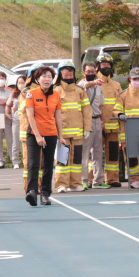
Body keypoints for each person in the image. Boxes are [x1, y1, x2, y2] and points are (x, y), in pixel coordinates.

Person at [23, 66, 66, 206]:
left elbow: (58, 116)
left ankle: (46, 193)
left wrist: (61, 136)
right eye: (44, 76)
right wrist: (37, 136)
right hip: (34, 134)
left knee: (48, 165)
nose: (47, 79)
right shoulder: (31, 94)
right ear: (37, 79)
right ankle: (32, 191)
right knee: (33, 164)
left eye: (49, 77)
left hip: (51, 133)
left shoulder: (56, 95)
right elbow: (30, 115)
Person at [53, 60, 91, 193]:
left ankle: (75, 183)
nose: (68, 77)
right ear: (60, 75)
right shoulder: (55, 91)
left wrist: (87, 128)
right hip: (62, 133)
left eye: (70, 74)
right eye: (65, 74)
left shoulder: (80, 91)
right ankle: (61, 184)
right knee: (62, 160)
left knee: (76, 160)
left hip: (78, 133)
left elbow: (87, 110)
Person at [94, 53, 123, 187]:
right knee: (95, 154)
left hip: (113, 125)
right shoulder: (93, 84)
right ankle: (91, 179)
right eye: (103, 64)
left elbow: (120, 103)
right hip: (97, 125)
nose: (106, 67)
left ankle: (112, 179)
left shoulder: (116, 85)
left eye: (108, 64)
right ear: (98, 67)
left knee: (112, 153)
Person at [78, 62, 104, 187]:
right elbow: (87, 85)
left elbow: (101, 105)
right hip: (86, 122)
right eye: (88, 71)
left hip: (97, 119)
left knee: (98, 151)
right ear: (84, 73)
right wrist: (95, 82)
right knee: (85, 152)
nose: (90, 73)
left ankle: (98, 180)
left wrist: (102, 120)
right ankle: (83, 180)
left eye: (93, 71)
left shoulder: (99, 87)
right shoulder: (81, 84)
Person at [4, 74, 26, 169]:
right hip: (17, 118)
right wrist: (7, 113)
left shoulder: (29, 93)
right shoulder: (14, 94)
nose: (20, 84)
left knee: (27, 141)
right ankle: (15, 161)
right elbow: (8, 105)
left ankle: (27, 160)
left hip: (27, 119)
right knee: (15, 141)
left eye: (22, 82)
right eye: (19, 83)